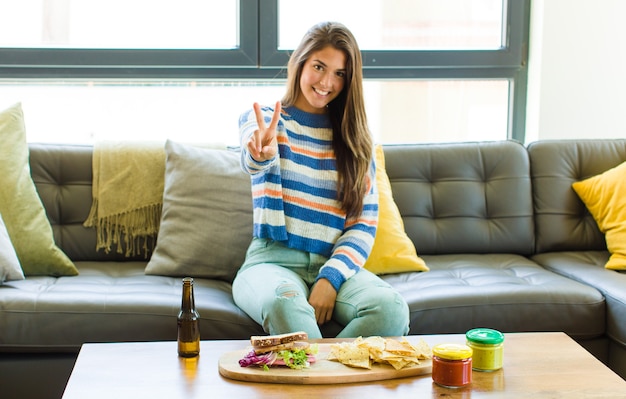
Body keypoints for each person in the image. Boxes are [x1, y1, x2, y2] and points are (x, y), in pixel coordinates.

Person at [232, 21, 409, 339]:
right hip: (271, 262)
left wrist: (331, 278)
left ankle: (321, 379)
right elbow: (255, 158)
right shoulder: (267, 121)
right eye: (319, 66)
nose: (327, 81)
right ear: (299, 62)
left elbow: (363, 224)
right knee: (284, 304)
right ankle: (328, 384)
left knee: (392, 309)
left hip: (335, 263)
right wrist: (260, 152)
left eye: (339, 73)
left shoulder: (356, 141)